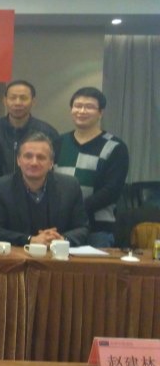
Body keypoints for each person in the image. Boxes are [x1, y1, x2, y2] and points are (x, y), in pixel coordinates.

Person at [53, 87, 129, 248]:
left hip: (98, 229)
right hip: (61, 227)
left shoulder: (115, 147)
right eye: (77, 106)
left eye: (89, 107)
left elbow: (112, 191)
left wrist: (75, 209)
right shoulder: (58, 142)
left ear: (101, 112)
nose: (82, 111)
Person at [0, 132, 89, 246]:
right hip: (17, 254)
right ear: (18, 160)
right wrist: (30, 240)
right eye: (28, 156)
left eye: (41, 157)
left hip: (58, 254)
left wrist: (61, 239)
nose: (34, 162)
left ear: (51, 163)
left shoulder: (70, 186)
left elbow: (82, 228)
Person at [0, 79, 60, 178]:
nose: (18, 103)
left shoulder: (47, 132)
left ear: (33, 102)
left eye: (23, 98)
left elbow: (53, 168)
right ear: (5, 101)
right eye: (13, 98)